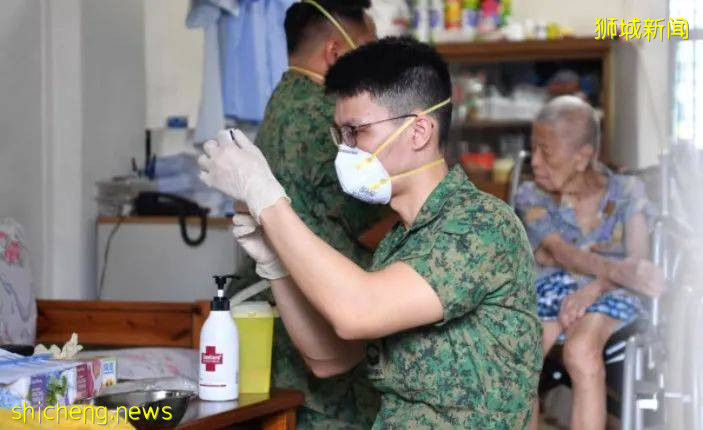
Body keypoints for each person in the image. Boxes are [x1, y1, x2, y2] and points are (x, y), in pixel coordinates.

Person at [199, 37, 542, 428]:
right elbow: (330, 359)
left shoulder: (482, 225)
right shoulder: (399, 242)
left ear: (418, 131)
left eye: (356, 131)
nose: (345, 150)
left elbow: (358, 312)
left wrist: (266, 197)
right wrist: (276, 265)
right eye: (340, 135)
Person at [246, 1, 381, 428]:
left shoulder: (282, 101)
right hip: (326, 313)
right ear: (335, 52)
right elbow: (372, 224)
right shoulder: (330, 117)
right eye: (368, 50)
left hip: (284, 308)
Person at [514, 96, 664, 430]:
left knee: (581, 350)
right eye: (533, 149)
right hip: (551, 287)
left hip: (612, 292)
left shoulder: (627, 191)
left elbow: (638, 260)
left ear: (582, 157)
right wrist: (619, 270)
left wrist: (595, 288)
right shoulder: (532, 195)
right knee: (520, 357)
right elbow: (563, 253)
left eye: (545, 151)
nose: (535, 161)